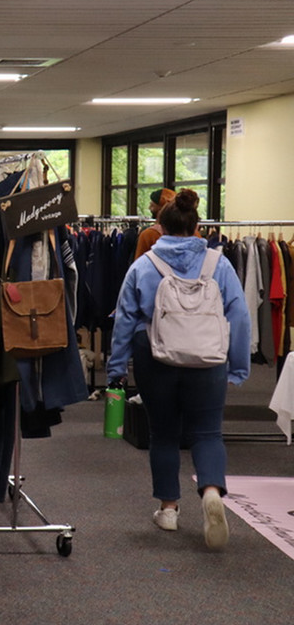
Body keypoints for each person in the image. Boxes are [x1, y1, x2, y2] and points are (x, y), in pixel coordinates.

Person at [107, 189, 251, 550]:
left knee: (164, 433)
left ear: (160, 226)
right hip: (208, 359)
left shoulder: (143, 265)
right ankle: (212, 492)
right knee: (207, 432)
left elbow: (124, 319)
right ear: (198, 227)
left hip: (155, 355)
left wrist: (116, 369)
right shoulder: (220, 263)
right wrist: (237, 365)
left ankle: (168, 509)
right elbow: (240, 316)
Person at [134, 188, 177, 260]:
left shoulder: (149, 234)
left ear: (162, 208)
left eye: (152, 205)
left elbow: (138, 265)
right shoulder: (192, 234)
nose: (149, 208)